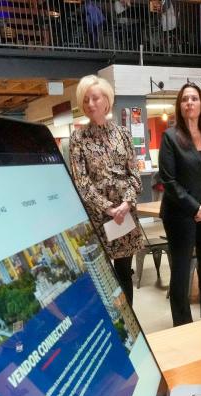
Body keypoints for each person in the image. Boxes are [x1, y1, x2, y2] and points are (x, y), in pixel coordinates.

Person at [69, 75, 144, 305]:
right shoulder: (78, 138)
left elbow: (135, 175)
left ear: (107, 101)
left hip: (125, 218)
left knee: (123, 274)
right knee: (102, 278)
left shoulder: (123, 134)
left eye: (95, 98)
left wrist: (126, 204)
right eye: (85, 100)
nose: (90, 104)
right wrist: (110, 209)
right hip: (99, 219)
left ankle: (130, 327)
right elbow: (81, 183)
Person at [157, 83, 201, 326]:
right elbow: (169, 180)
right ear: (179, 105)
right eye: (185, 99)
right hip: (179, 215)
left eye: (194, 99)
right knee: (181, 269)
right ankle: (182, 324)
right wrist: (195, 208)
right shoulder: (170, 137)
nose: (189, 103)